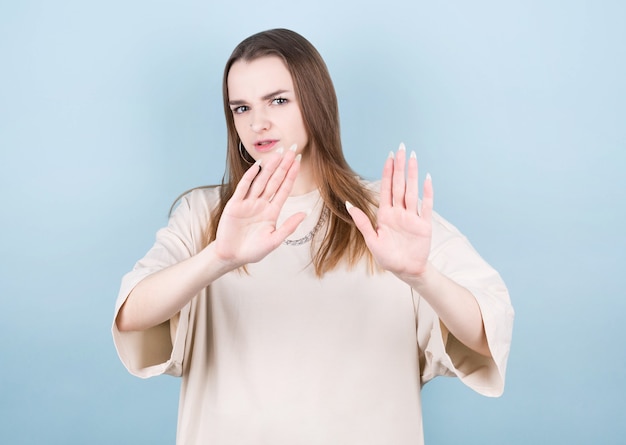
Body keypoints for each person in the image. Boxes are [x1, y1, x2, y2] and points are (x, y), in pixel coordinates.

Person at [112, 28, 514, 444]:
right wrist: (218, 258)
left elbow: (489, 331)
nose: (258, 122)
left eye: (278, 101)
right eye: (241, 108)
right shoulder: (207, 215)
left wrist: (421, 276)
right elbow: (130, 314)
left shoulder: (386, 214)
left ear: (316, 101)